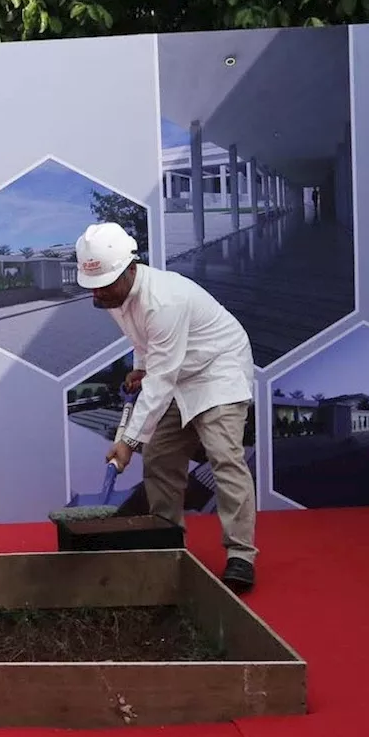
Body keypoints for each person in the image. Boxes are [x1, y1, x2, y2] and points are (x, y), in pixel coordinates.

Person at [75, 222, 259, 592]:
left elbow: (161, 381)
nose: (99, 293)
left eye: (106, 283)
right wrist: (139, 367)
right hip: (176, 372)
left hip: (217, 369)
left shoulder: (164, 300)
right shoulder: (113, 295)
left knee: (224, 456)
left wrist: (127, 441)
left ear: (130, 268)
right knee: (160, 458)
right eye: (94, 286)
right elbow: (144, 342)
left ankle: (241, 554)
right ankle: (166, 539)